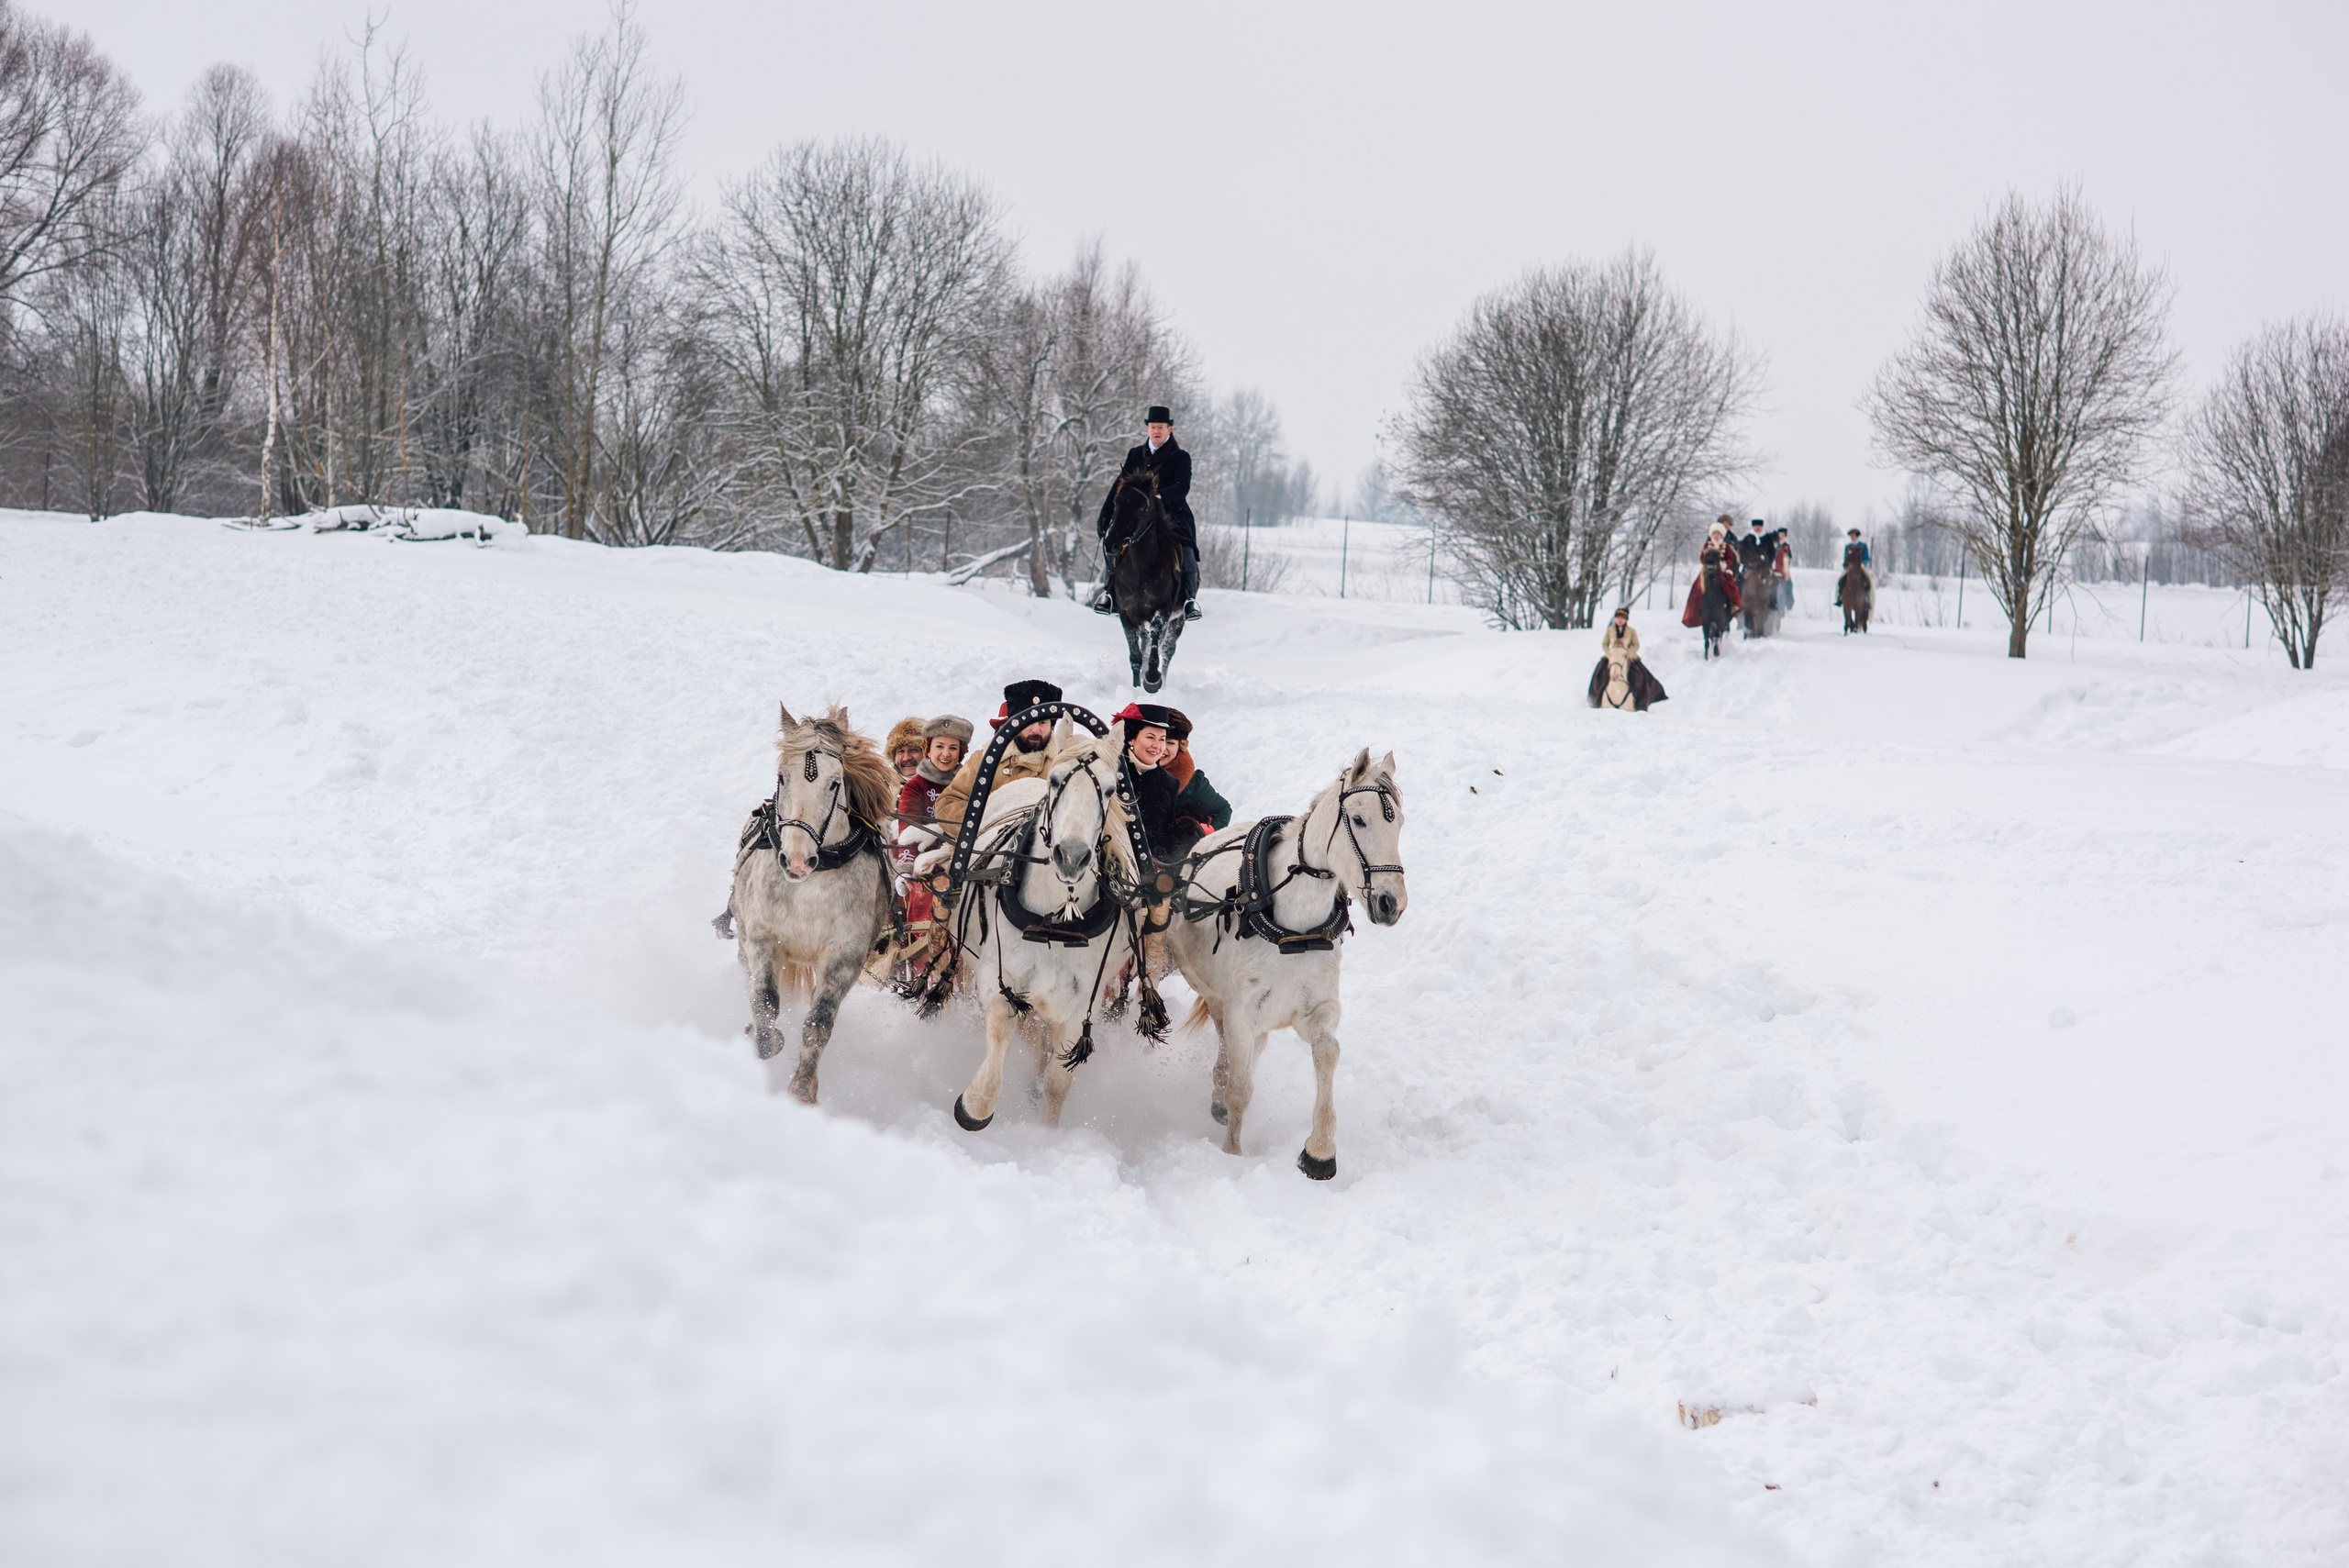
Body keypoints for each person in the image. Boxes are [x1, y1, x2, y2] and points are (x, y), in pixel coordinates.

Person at [1091, 405, 1201, 622]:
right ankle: (1110, 593)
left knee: (1186, 551)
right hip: (1139, 516)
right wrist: (1105, 514)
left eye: (1161, 427)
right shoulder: (1135, 455)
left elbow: (1183, 487)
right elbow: (1118, 487)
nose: (1156, 431)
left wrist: (1158, 496)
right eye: (1153, 427)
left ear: (1169, 430)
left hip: (1172, 514)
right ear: (1148, 430)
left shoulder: (1180, 457)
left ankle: (1189, 600)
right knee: (1113, 543)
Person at [932, 679, 1064, 836]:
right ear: (1013, 723)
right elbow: (948, 803)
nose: (1036, 729)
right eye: (1029, 722)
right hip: (984, 854)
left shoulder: (1065, 762)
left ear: (1052, 725)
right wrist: (987, 825)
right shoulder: (983, 760)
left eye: (1043, 722)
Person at [1113, 702, 1186, 863]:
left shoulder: (1169, 783)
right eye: (1150, 737)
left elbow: (1163, 833)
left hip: (1147, 871)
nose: (1157, 746)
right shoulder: (1110, 769)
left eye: (1162, 739)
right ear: (1131, 738)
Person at [1159, 708, 1232, 854]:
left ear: (1181, 747)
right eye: (1160, 741)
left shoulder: (1194, 783)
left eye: (1170, 743)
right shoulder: (1133, 778)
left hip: (1183, 860)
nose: (1162, 748)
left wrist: (1208, 835)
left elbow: (1223, 809)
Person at [1587, 606, 1668, 710]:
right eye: (1618, 617)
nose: (1620, 620)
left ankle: (1641, 701)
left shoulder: (1631, 631)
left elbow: (1636, 645)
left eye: (1622, 618)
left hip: (1628, 657)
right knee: (1599, 674)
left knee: (1641, 675)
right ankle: (1595, 699)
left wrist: (1629, 654)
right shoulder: (1610, 630)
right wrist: (1609, 654)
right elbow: (1605, 644)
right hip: (1613, 656)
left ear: (1626, 619)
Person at [884, 717, 927, 782]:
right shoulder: (880, 786)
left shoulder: (945, 784)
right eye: (901, 751)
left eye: (913, 750)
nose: (906, 758)